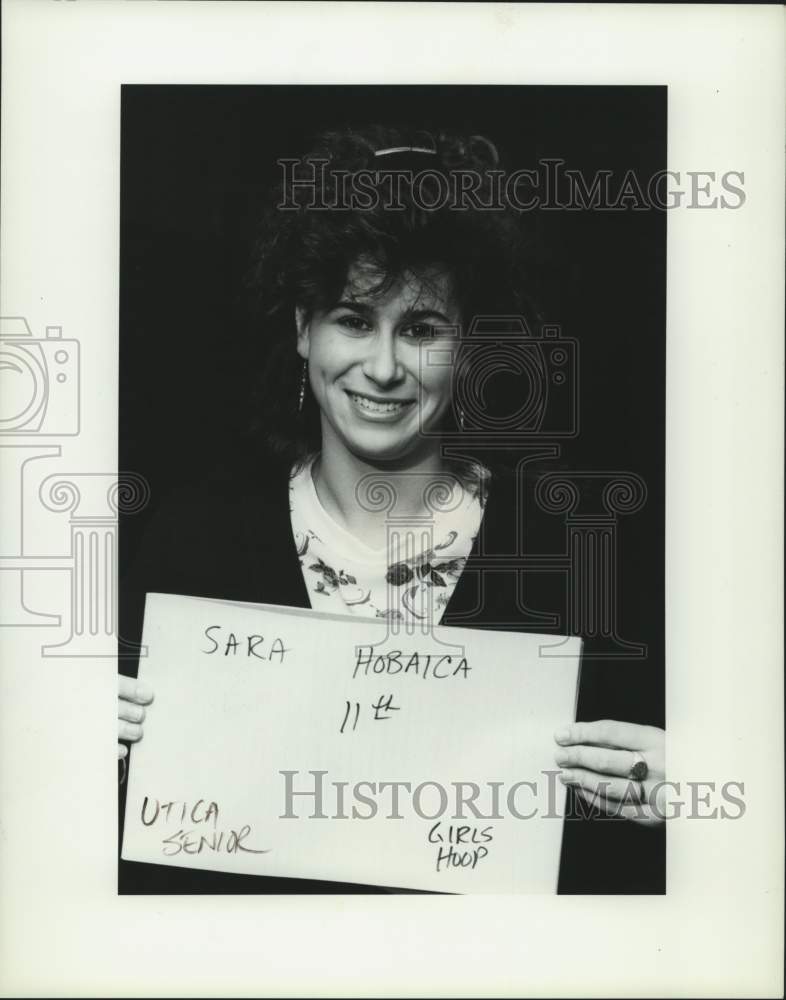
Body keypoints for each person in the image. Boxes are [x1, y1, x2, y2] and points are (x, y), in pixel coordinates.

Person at [118, 125, 665, 893]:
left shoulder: (573, 547)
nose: (382, 368)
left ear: (468, 346)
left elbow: (619, 846)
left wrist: (684, 789)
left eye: (421, 329)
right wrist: (77, 759)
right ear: (303, 329)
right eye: (353, 319)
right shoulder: (194, 538)